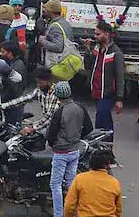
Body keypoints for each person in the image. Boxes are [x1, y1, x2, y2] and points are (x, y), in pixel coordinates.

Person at [47, 81, 92, 217]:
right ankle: (75, 212)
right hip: (75, 151)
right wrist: (77, 137)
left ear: (57, 96)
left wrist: (53, 144)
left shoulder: (59, 112)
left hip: (61, 152)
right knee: (71, 184)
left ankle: (59, 214)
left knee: (56, 185)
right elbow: (89, 127)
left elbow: (51, 135)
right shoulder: (80, 108)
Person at [88, 20, 124, 138]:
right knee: (106, 122)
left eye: (98, 34)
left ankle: (103, 146)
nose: (95, 37)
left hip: (107, 93)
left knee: (100, 121)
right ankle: (106, 148)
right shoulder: (97, 49)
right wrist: (88, 51)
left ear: (107, 34)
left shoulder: (116, 52)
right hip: (96, 91)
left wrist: (119, 99)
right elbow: (88, 66)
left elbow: (120, 77)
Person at [63, 149, 121, 217]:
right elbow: (118, 210)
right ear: (107, 165)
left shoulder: (80, 179)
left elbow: (69, 205)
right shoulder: (115, 183)